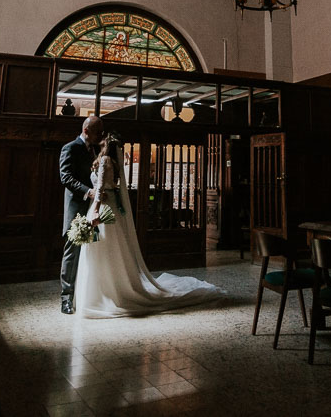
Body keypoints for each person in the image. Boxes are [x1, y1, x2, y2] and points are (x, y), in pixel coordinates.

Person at [75, 136, 224, 318]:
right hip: (109, 203)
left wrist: (96, 210)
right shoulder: (111, 161)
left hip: (103, 205)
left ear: (105, 145)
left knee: (104, 247)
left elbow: (99, 188)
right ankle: (109, 287)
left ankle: (104, 291)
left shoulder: (105, 160)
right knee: (110, 247)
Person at [59, 115, 103, 314]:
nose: (100, 136)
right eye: (97, 132)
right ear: (86, 130)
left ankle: (87, 293)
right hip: (77, 206)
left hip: (93, 208)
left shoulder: (95, 150)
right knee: (72, 250)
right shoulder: (70, 148)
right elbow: (65, 177)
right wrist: (88, 191)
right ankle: (66, 298)